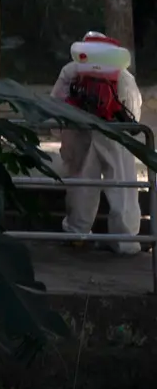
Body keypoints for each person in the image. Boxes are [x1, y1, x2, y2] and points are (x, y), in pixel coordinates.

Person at [52, 30, 145, 254]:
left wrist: (60, 131)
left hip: (79, 131)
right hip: (115, 133)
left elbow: (55, 103)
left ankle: (77, 233)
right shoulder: (122, 75)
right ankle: (125, 242)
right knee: (122, 186)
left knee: (80, 185)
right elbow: (134, 110)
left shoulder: (71, 70)